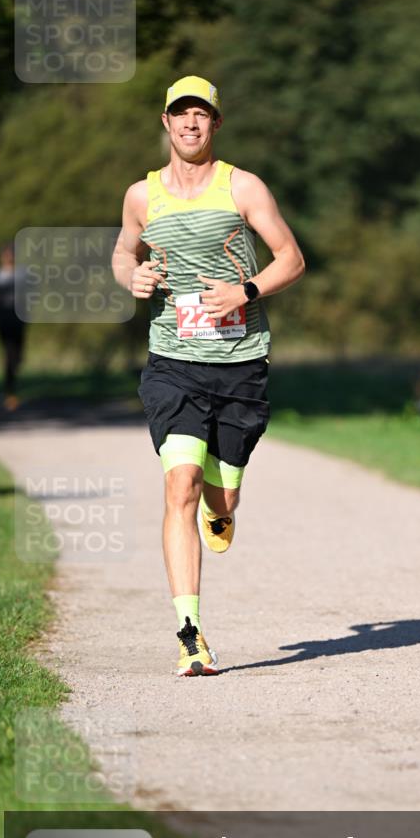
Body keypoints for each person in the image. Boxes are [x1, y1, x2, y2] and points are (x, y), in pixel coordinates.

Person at [112, 75, 304, 676]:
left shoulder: (242, 186)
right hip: (172, 361)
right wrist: (132, 277)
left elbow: (292, 259)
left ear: (216, 124)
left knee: (221, 497)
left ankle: (222, 513)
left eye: (202, 114)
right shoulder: (141, 196)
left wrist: (243, 290)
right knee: (181, 486)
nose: (190, 123)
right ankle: (189, 634)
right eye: (180, 114)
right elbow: (124, 250)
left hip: (240, 361)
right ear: (164, 123)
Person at [0, 243, 26, 411]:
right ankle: (10, 393)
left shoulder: (21, 275)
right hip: (3, 319)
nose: (9, 258)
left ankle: (12, 376)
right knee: (9, 354)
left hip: (18, 319)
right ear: (2, 256)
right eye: (7, 255)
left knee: (17, 356)